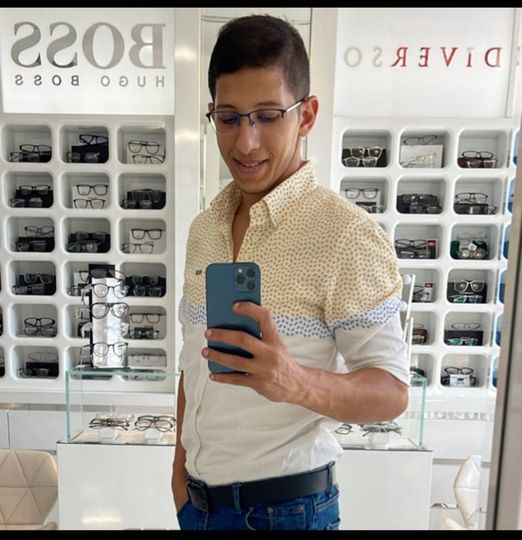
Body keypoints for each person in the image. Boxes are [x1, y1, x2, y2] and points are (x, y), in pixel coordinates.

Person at [171, 14, 410, 531]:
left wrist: (295, 382)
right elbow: (194, 364)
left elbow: (391, 392)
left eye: (267, 115)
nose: (246, 142)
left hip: (286, 512)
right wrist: (179, 478)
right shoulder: (204, 229)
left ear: (306, 116)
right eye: (229, 118)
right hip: (200, 507)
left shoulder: (346, 235)